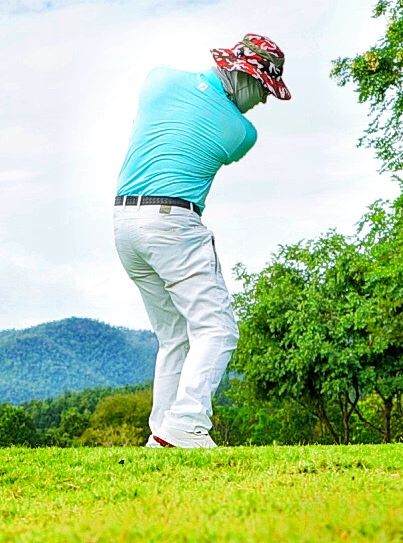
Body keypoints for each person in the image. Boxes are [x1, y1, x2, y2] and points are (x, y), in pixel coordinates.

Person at [113, 34, 289, 449]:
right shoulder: (241, 132)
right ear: (242, 76)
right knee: (217, 329)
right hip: (172, 222)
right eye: (262, 88)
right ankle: (188, 423)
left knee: (174, 335)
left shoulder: (159, 79)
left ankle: (162, 433)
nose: (262, 101)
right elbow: (216, 126)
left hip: (124, 223)